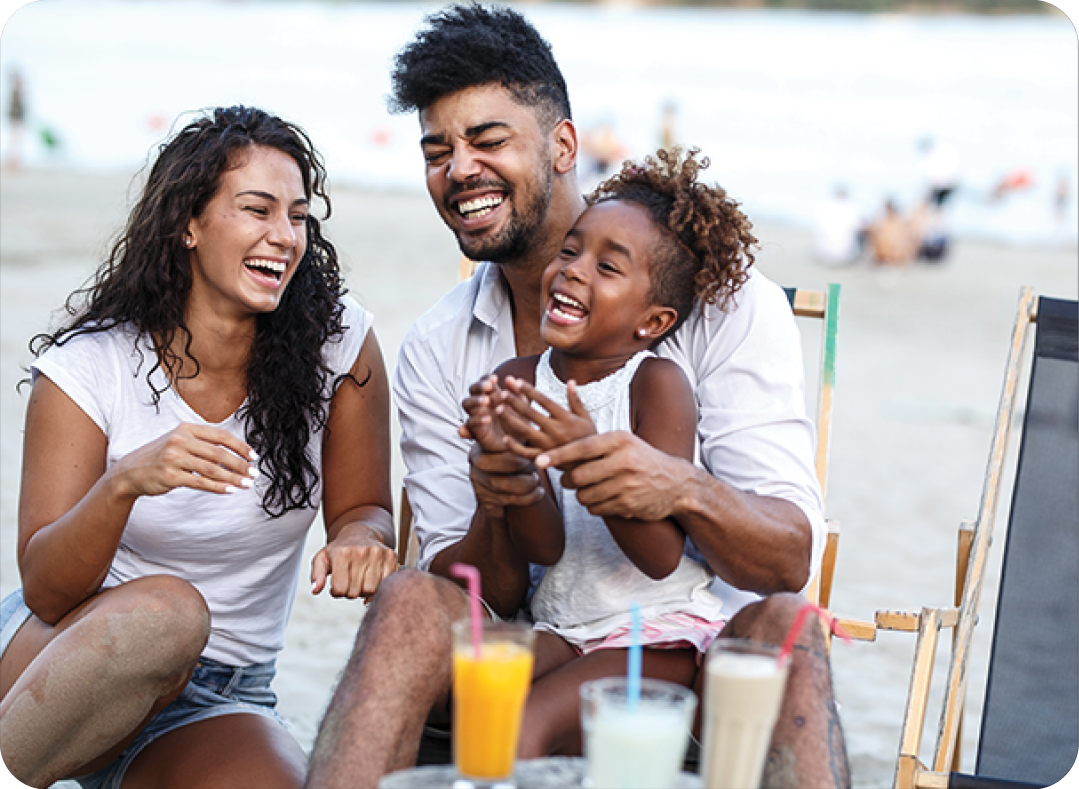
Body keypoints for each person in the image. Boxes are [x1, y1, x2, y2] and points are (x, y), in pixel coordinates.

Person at [305, 6, 844, 789]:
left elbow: (788, 553)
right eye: (437, 151)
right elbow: (476, 584)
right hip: (545, 640)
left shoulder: (724, 305)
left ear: (563, 146)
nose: (459, 169)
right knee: (407, 602)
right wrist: (502, 495)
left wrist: (676, 484)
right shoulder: (441, 346)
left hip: (702, 643)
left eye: (488, 141)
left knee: (787, 629)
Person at [0, 105, 397, 789]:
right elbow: (46, 586)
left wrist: (362, 537)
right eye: (257, 209)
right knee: (167, 613)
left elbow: (364, 506)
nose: (284, 236)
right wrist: (123, 482)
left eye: (298, 216)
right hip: (65, 656)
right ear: (188, 222)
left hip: (219, 695)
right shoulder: (92, 363)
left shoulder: (338, 344)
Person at [462, 148, 755, 754]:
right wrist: (509, 470)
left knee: (522, 732)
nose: (572, 270)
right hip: (563, 623)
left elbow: (658, 555)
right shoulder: (521, 377)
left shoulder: (656, 385)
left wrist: (583, 455)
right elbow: (544, 546)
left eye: (607, 267)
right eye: (570, 251)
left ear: (652, 321)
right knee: (473, 701)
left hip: (654, 633)